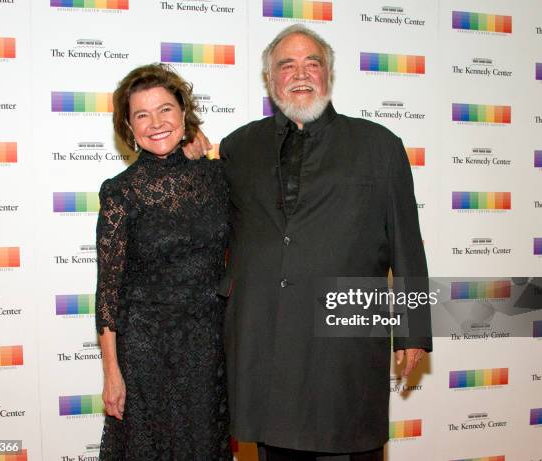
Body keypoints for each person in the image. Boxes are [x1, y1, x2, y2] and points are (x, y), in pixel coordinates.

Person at [214, 25, 432, 460]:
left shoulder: (379, 146)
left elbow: (407, 242)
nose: (300, 73)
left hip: (342, 346)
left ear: (328, 74)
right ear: (270, 78)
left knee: (349, 444)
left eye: (312, 63)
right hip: (266, 342)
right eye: (287, 65)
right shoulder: (238, 148)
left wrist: (413, 330)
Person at [95, 63, 231, 460]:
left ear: (183, 112)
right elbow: (108, 291)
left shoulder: (217, 177)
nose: (156, 122)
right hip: (145, 352)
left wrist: (212, 150)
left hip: (208, 347)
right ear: (129, 126)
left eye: (166, 109)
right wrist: (111, 372)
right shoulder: (121, 193)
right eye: (142, 114)